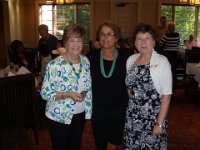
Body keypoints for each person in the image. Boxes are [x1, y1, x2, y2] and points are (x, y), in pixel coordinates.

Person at [40, 23, 92, 150]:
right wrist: (67, 94)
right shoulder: (55, 65)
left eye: (79, 40)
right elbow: (45, 93)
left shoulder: (85, 61)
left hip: (79, 113)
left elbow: (88, 87)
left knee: (75, 146)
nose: (76, 44)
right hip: (59, 115)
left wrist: (88, 112)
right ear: (65, 42)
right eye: (71, 40)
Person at [124, 23, 172, 149]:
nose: (143, 43)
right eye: (139, 39)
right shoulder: (130, 60)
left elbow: (167, 96)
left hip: (153, 119)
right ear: (135, 42)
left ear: (154, 42)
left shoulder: (162, 62)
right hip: (132, 117)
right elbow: (129, 88)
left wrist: (159, 124)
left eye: (147, 39)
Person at [87, 20, 131, 150]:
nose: (105, 37)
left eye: (110, 34)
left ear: (116, 37)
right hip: (97, 107)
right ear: (98, 37)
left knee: (114, 138)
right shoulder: (91, 56)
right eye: (102, 34)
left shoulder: (125, 57)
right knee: (100, 139)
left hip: (119, 106)